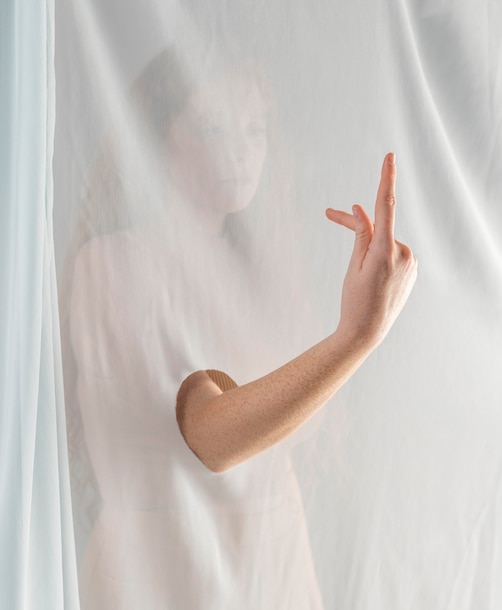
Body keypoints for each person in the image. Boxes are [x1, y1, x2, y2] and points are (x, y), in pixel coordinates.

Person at [64, 45, 417, 609]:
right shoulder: (113, 267)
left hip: (272, 568)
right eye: (214, 128)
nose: (242, 153)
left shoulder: (260, 277)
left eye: (256, 131)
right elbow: (210, 437)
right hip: (166, 578)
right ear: (158, 134)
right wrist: (356, 335)